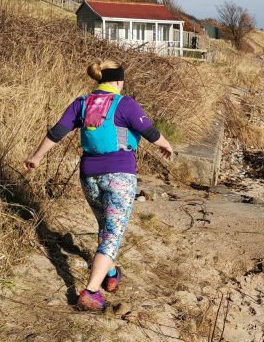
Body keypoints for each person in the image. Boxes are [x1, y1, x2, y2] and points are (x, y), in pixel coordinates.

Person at [23, 60, 173, 312]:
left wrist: (36, 156)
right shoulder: (125, 103)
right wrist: (166, 144)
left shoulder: (81, 103)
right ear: (117, 81)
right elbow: (148, 129)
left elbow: (58, 131)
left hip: (89, 175)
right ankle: (91, 291)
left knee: (106, 227)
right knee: (112, 234)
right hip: (120, 175)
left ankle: (111, 274)